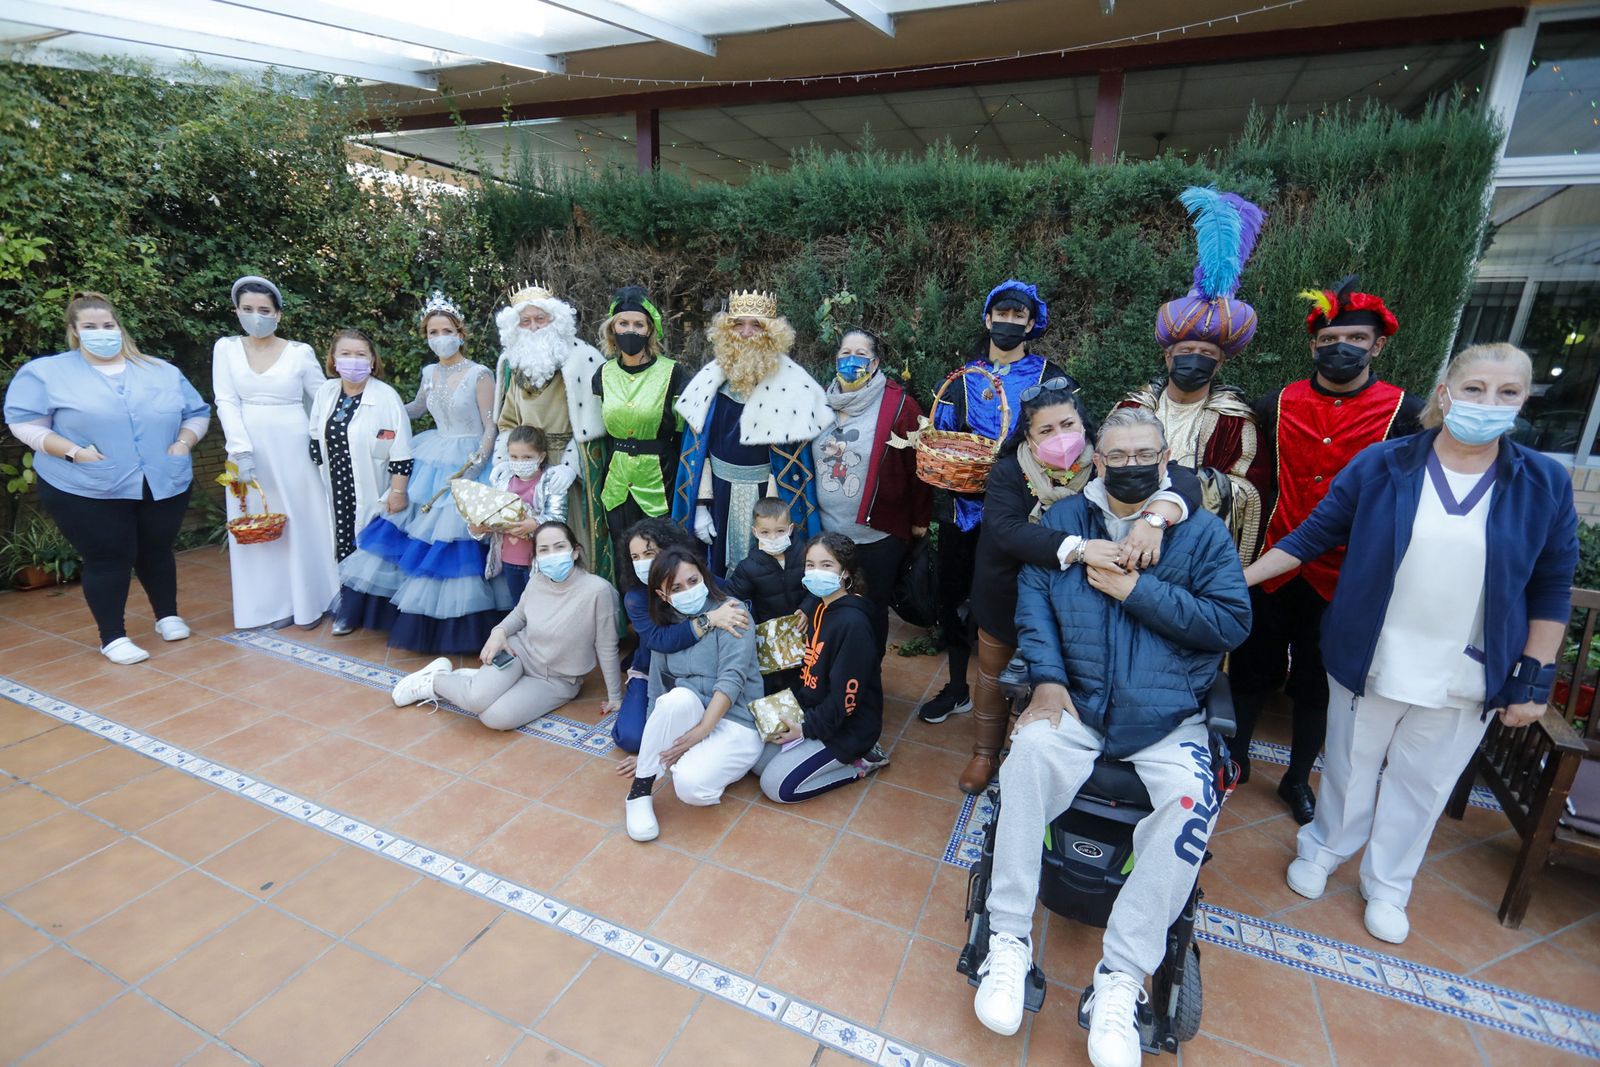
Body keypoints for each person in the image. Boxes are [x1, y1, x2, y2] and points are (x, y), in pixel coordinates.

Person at [1241, 343, 1576, 945]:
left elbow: (1552, 587)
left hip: (1467, 667)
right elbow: (1313, 534)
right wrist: (1235, 581)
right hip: (1372, 652)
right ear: (1445, 392)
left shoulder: (1542, 483)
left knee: (1423, 783)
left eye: (1507, 393)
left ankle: (1390, 883)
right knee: (1348, 763)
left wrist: (1533, 679)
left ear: (1523, 403)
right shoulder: (1386, 464)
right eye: (1474, 388)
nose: (1487, 403)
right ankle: (1322, 850)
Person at [972, 409, 1251, 1067]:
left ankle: (1121, 978)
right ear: (1097, 460)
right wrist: (1044, 678)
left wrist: (1136, 590)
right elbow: (1033, 607)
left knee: (1192, 799)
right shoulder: (1063, 524)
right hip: (1078, 703)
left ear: (1164, 461)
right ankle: (1008, 941)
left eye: (1143, 453)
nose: (1129, 463)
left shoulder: (1201, 535)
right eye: (1116, 453)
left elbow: (1231, 623)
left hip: (1165, 717)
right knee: (1026, 759)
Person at [1229, 275, 1423, 823]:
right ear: (1314, 345)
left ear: (1377, 345)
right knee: (1251, 666)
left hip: (1345, 576)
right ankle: (1236, 757)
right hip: (1273, 562)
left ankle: (1296, 779)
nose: (1342, 348)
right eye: (1330, 339)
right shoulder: (1277, 403)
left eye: (1356, 340)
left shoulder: (1405, 414)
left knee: (1319, 683)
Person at [963, 381, 1197, 795]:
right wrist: (1081, 547)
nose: (1060, 438)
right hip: (1007, 594)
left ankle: (1025, 760)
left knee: (1050, 677)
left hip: (1078, 602)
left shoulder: (1106, 463)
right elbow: (1006, 531)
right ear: (1028, 437)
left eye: (1067, 424)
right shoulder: (1009, 471)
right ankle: (984, 753)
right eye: (1046, 430)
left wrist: (1155, 518)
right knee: (994, 675)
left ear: (1085, 426)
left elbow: (1184, 481)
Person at [4, 291, 211, 664]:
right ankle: (113, 637)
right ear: (74, 331)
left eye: (108, 325)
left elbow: (196, 412)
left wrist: (184, 442)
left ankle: (167, 616)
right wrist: (73, 451)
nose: (102, 332)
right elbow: (24, 423)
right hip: (85, 485)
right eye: (91, 327)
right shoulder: (46, 373)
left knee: (156, 550)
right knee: (109, 557)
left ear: (119, 327)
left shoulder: (160, 370)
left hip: (162, 479)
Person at [920, 279, 1070, 726]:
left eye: (1017, 316)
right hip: (960, 504)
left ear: (1031, 323)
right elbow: (943, 435)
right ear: (988, 319)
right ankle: (956, 687)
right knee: (951, 594)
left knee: (1015, 600)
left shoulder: (1050, 379)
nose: (1008, 322)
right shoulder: (964, 379)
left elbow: (1065, 440)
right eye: (1001, 314)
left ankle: (1017, 689)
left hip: (1021, 511)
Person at [335, 291, 515, 652]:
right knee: (408, 530)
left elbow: (490, 425)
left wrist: (477, 462)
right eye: (432, 332)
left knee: (456, 537)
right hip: (432, 452)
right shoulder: (428, 372)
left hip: (468, 457)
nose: (439, 338)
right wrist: (379, 409)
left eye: (445, 330)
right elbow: (415, 409)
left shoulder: (479, 374)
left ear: (460, 333)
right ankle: (396, 612)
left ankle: (464, 625)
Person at [1117, 187, 1265, 560]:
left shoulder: (1234, 421)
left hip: (1195, 544)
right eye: (1185, 352)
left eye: (1206, 354)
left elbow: (1248, 489)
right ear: (1168, 356)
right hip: (1125, 530)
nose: (1194, 359)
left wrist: (1185, 488)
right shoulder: (1133, 407)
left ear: (1220, 363)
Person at [390, 521, 623, 731]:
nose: (552, 555)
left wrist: (615, 696)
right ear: (536, 559)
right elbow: (519, 615)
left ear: (575, 552)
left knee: (494, 717)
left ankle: (475, 682)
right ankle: (434, 681)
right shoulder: (537, 581)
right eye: (544, 550)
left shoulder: (598, 591)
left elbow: (606, 646)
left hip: (558, 681)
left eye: (559, 547)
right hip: (519, 654)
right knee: (474, 700)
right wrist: (498, 632)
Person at [672, 289, 829, 577]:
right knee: (719, 565)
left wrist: (775, 510)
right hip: (719, 494)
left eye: (756, 325)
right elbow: (697, 449)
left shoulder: (790, 386)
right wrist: (701, 506)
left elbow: (791, 459)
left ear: (772, 333)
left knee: (769, 570)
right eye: (738, 324)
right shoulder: (710, 381)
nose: (746, 332)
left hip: (768, 492)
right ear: (726, 330)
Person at [212, 275, 339, 629]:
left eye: (264, 310)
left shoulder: (299, 352)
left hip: (293, 445)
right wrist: (240, 449)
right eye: (248, 309)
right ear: (236, 311)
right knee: (255, 520)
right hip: (248, 448)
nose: (256, 316)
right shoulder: (226, 349)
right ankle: (268, 606)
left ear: (278, 315)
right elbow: (225, 399)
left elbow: (323, 397)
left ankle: (317, 598)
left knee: (304, 518)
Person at [618, 545, 765, 842]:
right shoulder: (667, 626)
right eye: (676, 587)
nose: (687, 590)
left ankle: (694, 757)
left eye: (693, 581)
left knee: (690, 786)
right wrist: (650, 748)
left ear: (704, 576)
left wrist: (701, 733)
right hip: (692, 711)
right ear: (663, 595)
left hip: (735, 720)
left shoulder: (732, 611)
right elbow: (657, 692)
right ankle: (639, 791)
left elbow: (731, 679)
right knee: (676, 698)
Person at [810, 327, 931, 652]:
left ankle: (865, 682)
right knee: (828, 605)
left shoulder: (899, 406)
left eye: (860, 355)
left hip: (878, 536)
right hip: (827, 532)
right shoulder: (820, 402)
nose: (852, 361)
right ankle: (831, 671)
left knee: (870, 610)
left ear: (875, 364)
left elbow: (919, 467)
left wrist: (921, 519)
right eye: (845, 354)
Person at [756, 533, 891, 803]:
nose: (816, 572)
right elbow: (811, 671)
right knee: (756, 760)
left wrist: (805, 730)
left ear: (846, 573)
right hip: (815, 711)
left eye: (826, 565)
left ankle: (862, 762)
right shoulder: (820, 608)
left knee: (776, 787)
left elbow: (845, 700)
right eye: (810, 565)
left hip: (848, 728)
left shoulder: (853, 624)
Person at [491, 282, 605, 580]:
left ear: (556, 320)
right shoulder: (513, 363)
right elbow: (507, 421)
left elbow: (594, 420)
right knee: (524, 540)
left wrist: (570, 467)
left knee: (570, 538)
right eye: (525, 321)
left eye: (540, 319)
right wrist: (504, 461)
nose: (533, 327)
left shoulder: (584, 358)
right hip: (525, 468)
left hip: (567, 467)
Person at [616, 518, 751, 753]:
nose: (643, 563)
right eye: (635, 558)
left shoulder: (694, 579)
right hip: (652, 672)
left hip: (699, 676)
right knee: (632, 739)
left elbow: (732, 602)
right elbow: (660, 640)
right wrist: (709, 620)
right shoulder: (636, 598)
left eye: (649, 553)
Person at [592, 285, 686, 570]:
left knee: (663, 555)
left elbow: (683, 433)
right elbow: (599, 433)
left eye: (638, 324)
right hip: (618, 481)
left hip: (661, 478)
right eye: (623, 324)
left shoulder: (673, 372)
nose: (630, 330)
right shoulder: (603, 374)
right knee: (625, 557)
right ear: (612, 329)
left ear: (649, 330)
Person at [307, 330, 413, 578]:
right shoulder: (326, 392)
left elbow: (401, 452)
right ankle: (346, 603)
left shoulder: (386, 397)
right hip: (335, 487)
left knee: (372, 552)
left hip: (373, 489)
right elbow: (315, 437)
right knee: (339, 543)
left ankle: (369, 610)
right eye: (345, 354)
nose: (353, 360)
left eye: (360, 354)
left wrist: (398, 492)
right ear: (333, 359)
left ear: (372, 360)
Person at [725, 498, 807, 695]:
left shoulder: (805, 553)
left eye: (780, 531)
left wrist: (809, 607)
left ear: (790, 528)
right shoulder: (749, 566)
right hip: (771, 639)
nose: (773, 537)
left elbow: (816, 588)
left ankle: (805, 718)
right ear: (755, 532)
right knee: (772, 685)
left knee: (804, 680)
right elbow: (731, 596)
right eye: (765, 532)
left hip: (805, 631)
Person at [479, 425, 566, 603]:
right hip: (509, 559)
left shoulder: (551, 481)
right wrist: (481, 526)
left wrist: (535, 523)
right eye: (514, 457)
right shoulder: (502, 481)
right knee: (518, 605)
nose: (520, 462)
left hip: (540, 562)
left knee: (542, 605)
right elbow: (488, 513)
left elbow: (559, 518)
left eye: (527, 457)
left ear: (540, 456)